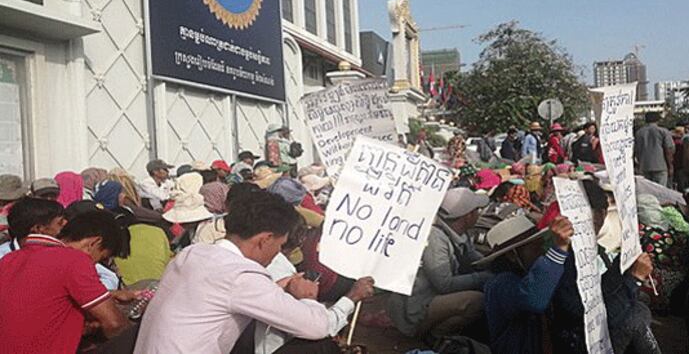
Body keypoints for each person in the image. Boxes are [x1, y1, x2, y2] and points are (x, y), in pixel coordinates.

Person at [134, 191, 375, 354]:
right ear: (265, 240)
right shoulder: (241, 275)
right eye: (279, 245)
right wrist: (310, 297)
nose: (277, 253)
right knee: (318, 346)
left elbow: (222, 296)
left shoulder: (193, 254)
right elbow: (317, 326)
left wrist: (279, 287)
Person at [551, 178, 660, 354]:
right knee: (635, 316)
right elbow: (599, 321)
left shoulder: (584, 249)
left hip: (584, 333)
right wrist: (634, 279)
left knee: (640, 309)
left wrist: (624, 264)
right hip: (581, 343)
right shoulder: (565, 258)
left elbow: (599, 291)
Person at [0, 211, 132, 354]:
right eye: (101, 258)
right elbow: (115, 324)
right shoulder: (75, 260)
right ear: (94, 243)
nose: (95, 265)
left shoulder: (11, 258)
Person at [387, 187, 493, 342]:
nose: (479, 214)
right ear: (468, 215)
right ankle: (436, 338)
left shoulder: (460, 233)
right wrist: (483, 278)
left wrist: (493, 263)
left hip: (432, 297)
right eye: (476, 210)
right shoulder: (435, 238)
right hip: (417, 304)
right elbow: (445, 284)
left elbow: (474, 259)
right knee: (476, 301)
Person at [481, 215, 574, 354]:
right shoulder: (499, 284)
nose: (542, 252)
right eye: (535, 248)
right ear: (512, 255)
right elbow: (533, 299)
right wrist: (558, 250)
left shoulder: (530, 275)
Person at [634, 112, 675, 187]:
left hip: (644, 167)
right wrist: (670, 166)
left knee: (648, 190)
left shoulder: (639, 133)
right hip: (660, 166)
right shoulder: (663, 131)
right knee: (660, 190)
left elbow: (636, 150)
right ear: (658, 120)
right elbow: (668, 150)